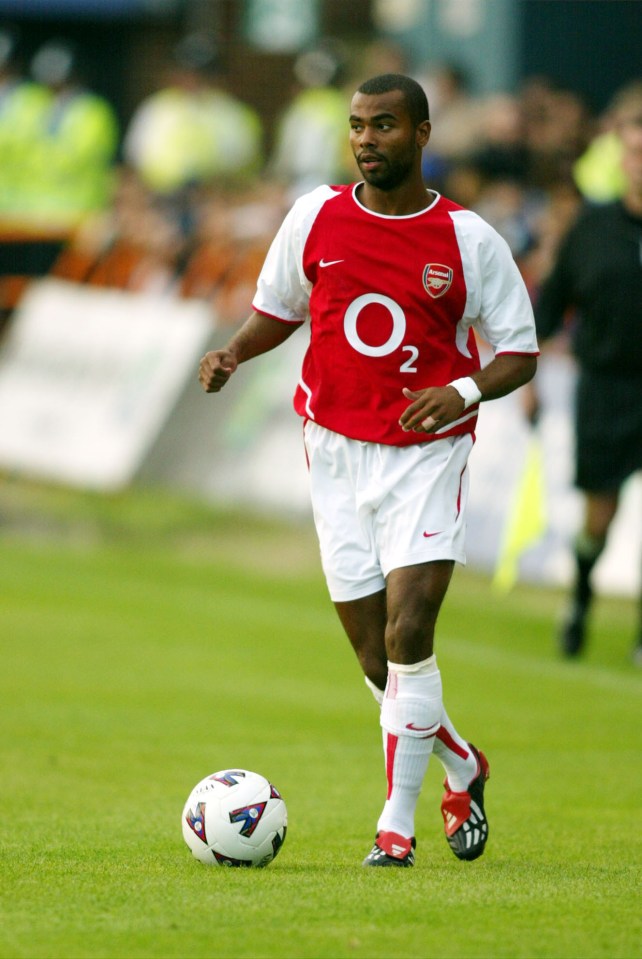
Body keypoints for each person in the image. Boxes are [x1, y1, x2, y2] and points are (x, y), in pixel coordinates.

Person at [199, 73, 538, 867]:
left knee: (409, 630)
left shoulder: (468, 238)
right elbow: (278, 309)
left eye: (384, 125)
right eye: (357, 125)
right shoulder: (316, 214)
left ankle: (396, 823)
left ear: (423, 134)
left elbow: (518, 352)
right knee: (373, 658)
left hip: (427, 454)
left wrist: (458, 390)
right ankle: (464, 762)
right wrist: (233, 352)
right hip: (335, 451)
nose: (366, 140)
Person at [530, 80, 642, 663]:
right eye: (635, 153)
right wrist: (522, 376)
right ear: (622, 159)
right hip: (605, 383)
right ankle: (580, 598)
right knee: (600, 512)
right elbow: (550, 308)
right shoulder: (592, 229)